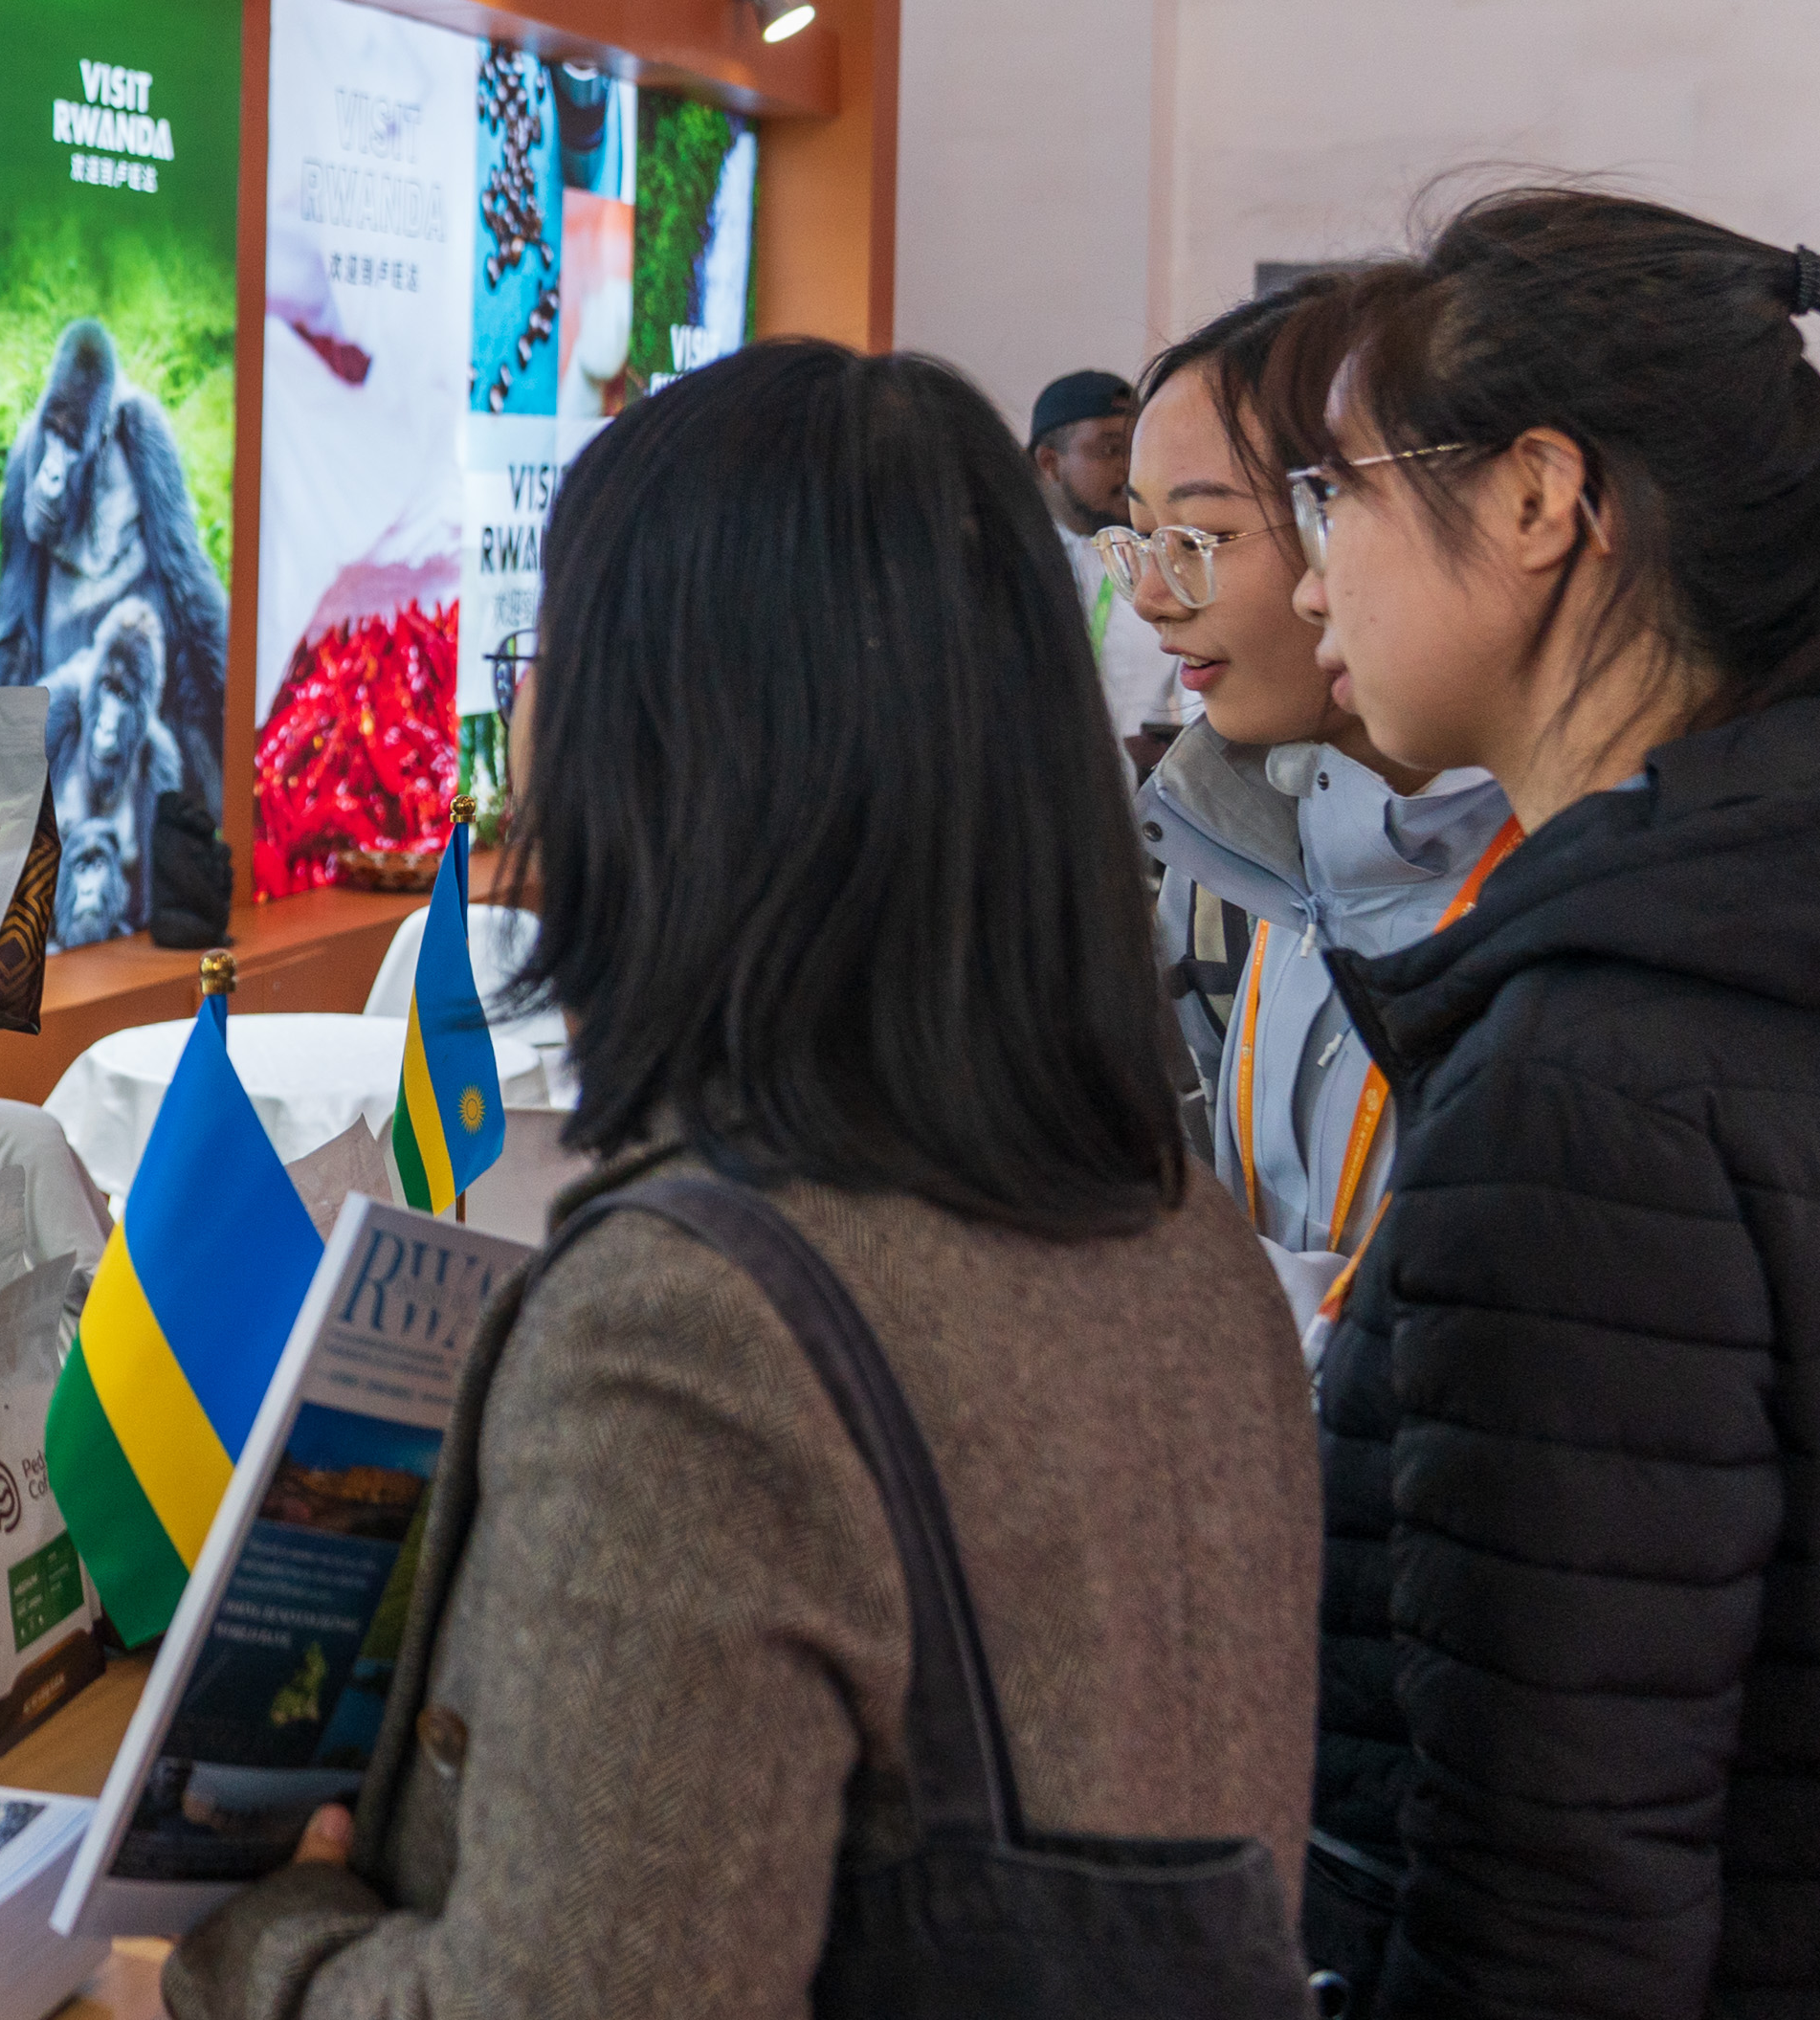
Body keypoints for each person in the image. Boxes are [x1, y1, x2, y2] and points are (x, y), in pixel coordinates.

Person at [165, 341, 1318, 2020]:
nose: (529, 707)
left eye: (554, 652)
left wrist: (269, 1947)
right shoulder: (1183, 1243)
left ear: (677, 731)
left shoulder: (696, 1336)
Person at [1289, 189, 1820, 2017]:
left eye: (1337, 492)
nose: (1308, 579)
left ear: (1541, 499)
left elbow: (1545, 1894)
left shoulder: (1597, 1084)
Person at [1114, 286, 1514, 1358]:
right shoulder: (1244, 845)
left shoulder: (1562, 892)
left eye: (1202, 533)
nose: (1152, 593)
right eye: (1142, 537)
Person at [1033, 367, 1186, 766]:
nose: (1129, 469)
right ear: (1050, 463)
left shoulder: (1164, 557)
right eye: (1109, 450)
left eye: (1136, 450)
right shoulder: (1004, 562)